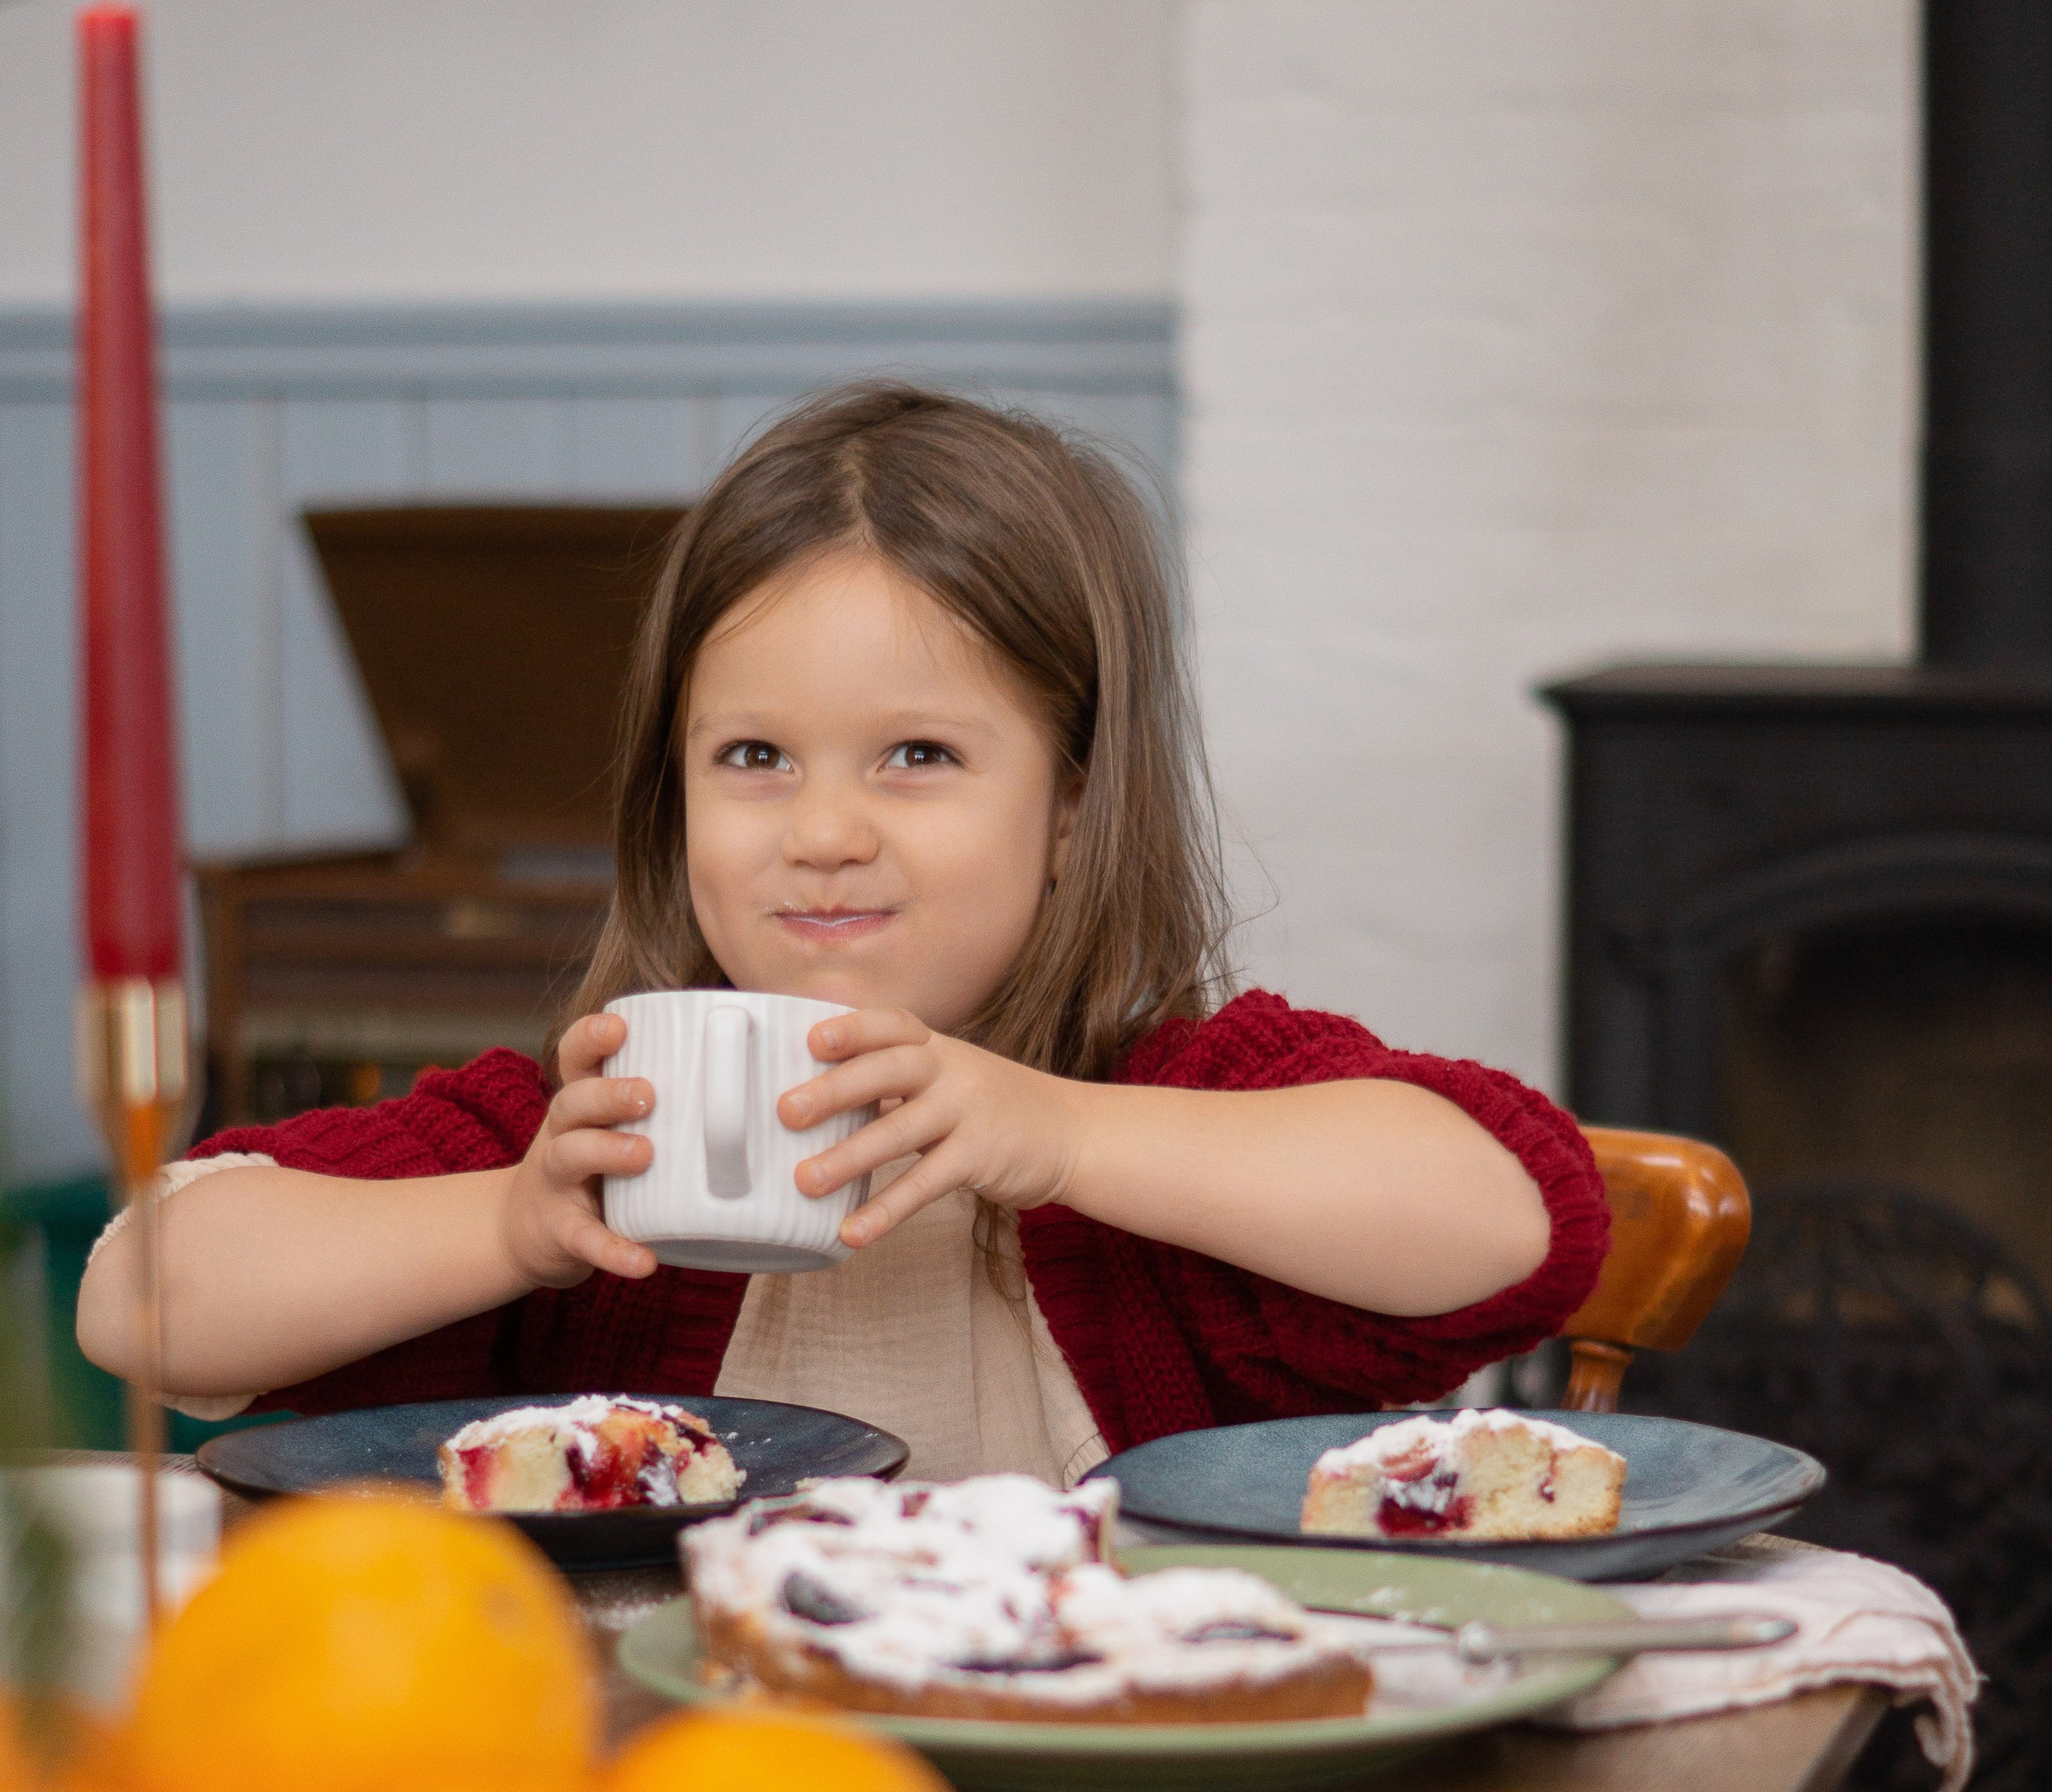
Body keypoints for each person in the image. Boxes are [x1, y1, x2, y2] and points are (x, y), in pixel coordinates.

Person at [79, 383, 1606, 1479]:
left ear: (1073, 808)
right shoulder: (582, 1143)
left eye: (919, 757)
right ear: (671, 798)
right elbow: (141, 1298)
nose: (822, 830)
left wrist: (1062, 1135)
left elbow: (1519, 1217)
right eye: (754, 759)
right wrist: (507, 1229)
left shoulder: (1176, 1113)